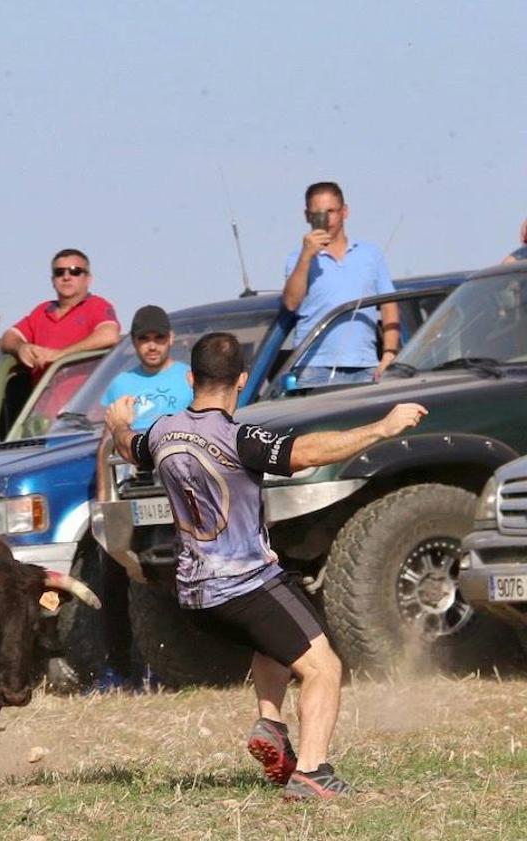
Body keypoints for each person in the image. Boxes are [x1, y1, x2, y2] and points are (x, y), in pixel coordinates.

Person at [105, 331, 428, 800]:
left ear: (191, 378)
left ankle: (272, 725)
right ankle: (313, 774)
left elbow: (126, 444)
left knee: (276, 636)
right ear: (241, 381)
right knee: (324, 669)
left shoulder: (160, 432)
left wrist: (117, 422)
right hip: (244, 586)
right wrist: (382, 427)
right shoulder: (241, 438)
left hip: (194, 594)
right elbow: (309, 453)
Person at [281, 182, 399, 386]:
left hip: (366, 366)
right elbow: (291, 303)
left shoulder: (370, 254)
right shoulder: (298, 259)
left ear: (344, 212)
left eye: (331, 211)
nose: (326, 220)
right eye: (317, 213)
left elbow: (389, 305)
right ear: (307, 216)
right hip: (313, 367)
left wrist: (389, 353)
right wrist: (306, 256)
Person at [0, 248, 120, 374]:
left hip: (85, 393)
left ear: (88, 279)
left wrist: (60, 355)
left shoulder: (97, 306)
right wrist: (21, 348)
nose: (66, 277)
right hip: (44, 393)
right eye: (59, 272)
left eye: (75, 271)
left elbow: (109, 336)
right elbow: (8, 337)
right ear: (53, 280)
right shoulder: (42, 311)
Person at [101, 305, 194, 429]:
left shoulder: (191, 379)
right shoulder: (120, 383)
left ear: (171, 338)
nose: (152, 347)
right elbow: (107, 436)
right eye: (144, 339)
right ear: (133, 341)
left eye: (159, 338)